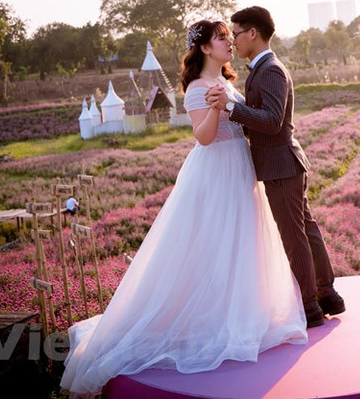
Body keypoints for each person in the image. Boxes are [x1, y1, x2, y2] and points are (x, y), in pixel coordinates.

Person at [60, 20, 307, 397]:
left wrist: (231, 104)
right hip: (215, 169)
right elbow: (204, 138)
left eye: (229, 36)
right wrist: (214, 109)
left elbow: (245, 122)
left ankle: (239, 313)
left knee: (242, 241)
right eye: (221, 38)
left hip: (239, 166)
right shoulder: (196, 89)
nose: (229, 42)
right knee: (211, 243)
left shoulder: (226, 83)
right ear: (205, 49)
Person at [206, 6, 344, 328]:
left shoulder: (269, 69)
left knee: (294, 237)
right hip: (283, 164)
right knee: (305, 231)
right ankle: (327, 295)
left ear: (252, 33)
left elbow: (271, 121)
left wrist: (229, 107)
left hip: (281, 166)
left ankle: (310, 307)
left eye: (236, 34)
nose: (234, 42)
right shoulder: (262, 68)